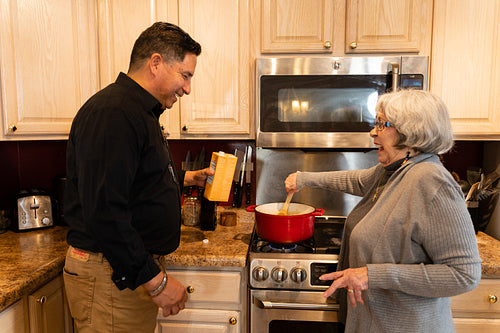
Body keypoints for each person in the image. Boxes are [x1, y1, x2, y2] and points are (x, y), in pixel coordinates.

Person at [284, 89, 482, 332]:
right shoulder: (397, 170)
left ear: (411, 130)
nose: (372, 132)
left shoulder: (432, 183)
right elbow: (356, 180)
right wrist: (304, 179)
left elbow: (464, 275)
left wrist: (371, 275)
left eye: (381, 124)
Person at [63, 22, 213, 332]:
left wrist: (184, 178)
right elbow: (105, 213)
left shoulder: (138, 112)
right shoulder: (114, 113)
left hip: (122, 273)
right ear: (156, 63)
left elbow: (134, 177)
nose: (187, 88)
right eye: (185, 76)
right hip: (110, 276)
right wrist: (156, 282)